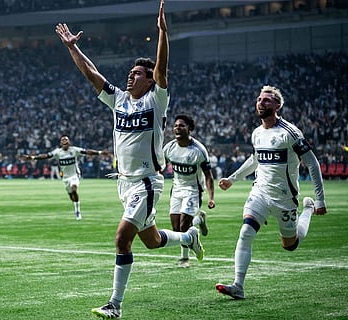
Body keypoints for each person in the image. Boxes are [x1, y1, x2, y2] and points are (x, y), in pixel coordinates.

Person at [55, 1, 204, 318]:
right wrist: (72, 49)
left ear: (149, 81)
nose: (130, 77)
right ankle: (188, 237)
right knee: (150, 240)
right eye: (129, 73)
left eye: (137, 74)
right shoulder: (118, 100)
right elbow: (91, 73)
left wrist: (163, 32)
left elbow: (162, 68)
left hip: (147, 183)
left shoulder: (156, 100)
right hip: (124, 184)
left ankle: (115, 305)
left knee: (123, 239)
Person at [216, 85, 327, 300]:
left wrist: (320, 199)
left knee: (290, 245)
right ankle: (238, 285)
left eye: (267, 100)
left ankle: (308, 209)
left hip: (284, 198)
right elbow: (255, 160)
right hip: (260, 193)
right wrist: (232, 179)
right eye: (259, 99)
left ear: (277, 105)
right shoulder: (257, 133)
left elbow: (312, 164)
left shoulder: (290, 132)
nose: (261, 102)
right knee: (246, 232)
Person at [163, 114, 216, 268]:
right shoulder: (170, 147)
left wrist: (211, 197)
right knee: (176, 229)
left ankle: (184, 258)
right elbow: (162, 166)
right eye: (175, 125)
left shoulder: (199, 150)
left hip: (193, 190)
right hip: (177, 189)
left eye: (181, 125)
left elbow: (209, 176)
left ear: (189, 129)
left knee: (183, 225)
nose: (177, 128)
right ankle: (199, 220)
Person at [23, 135, 108, 220]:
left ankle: (77, 210)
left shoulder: (74, 150)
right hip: (65, 177)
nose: (65, 145)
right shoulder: (58, 152)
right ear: (61, 144)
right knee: (71, 194)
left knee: (74, 189)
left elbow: (87, 151)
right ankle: (75, 205)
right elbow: (46, 156)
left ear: (69, 143)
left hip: (74, 175)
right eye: (63, 143)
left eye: (66, 143)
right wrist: (33, 157)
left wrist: (99, 153)